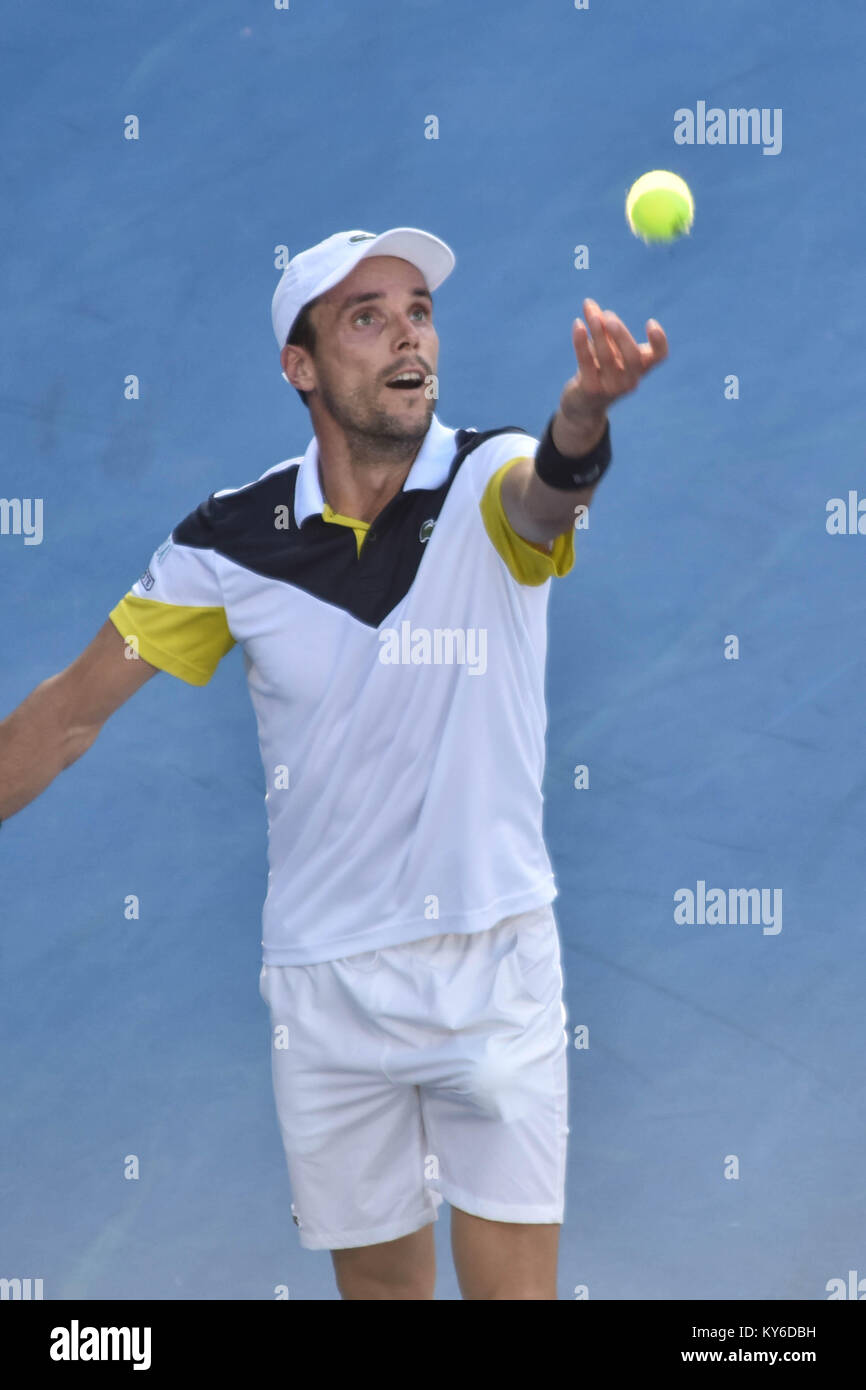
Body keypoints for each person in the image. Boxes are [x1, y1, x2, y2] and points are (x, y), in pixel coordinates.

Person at [0, 227, 667, 1299]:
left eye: (417, 309)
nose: (408, 334)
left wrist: (582, 418)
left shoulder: (487, 477)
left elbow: (549, 491)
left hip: (489, 966)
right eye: (367, 316)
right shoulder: (227, 543)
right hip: (325, 988)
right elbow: (72, 714)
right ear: (300, 368)